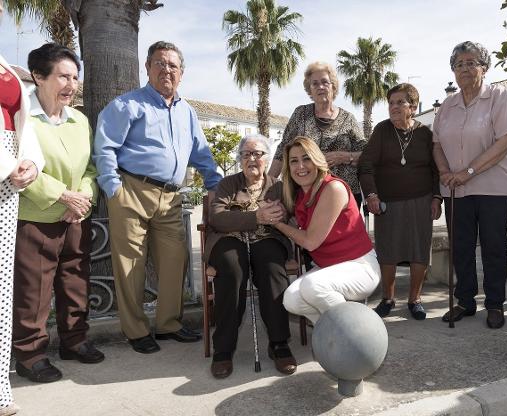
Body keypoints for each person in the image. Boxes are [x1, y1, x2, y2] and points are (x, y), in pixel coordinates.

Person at [93, 41, 222, 354]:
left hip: (171, 197)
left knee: (174, 262)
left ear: (181, 73)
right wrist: (113, 188)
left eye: (173, 65)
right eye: (160, 64)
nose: (167, 70)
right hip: (131, 191)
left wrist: (216, 184)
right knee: (130, 266)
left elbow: (201, 153)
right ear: (147, 68)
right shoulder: (127, 105)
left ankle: (168, 325)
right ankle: (136, 331)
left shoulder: (187, 112)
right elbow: (105, 146)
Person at [11, 43, 102, 385]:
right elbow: (17, 167)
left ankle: (74, 341)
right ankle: (30, 355)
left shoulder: (79, 119)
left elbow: (91, 167)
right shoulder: (20, 118)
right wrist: (63, 196)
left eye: (75, 77)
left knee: (75, 282)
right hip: (36, 216)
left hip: (76, 216)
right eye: (63, 76)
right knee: (34, 291)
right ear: (38, 76)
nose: (71, 84)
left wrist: (83, 199)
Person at [432, 41, 507, 329]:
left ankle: (494, 304)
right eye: (459, 64)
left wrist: (468, 171)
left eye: (471, 63)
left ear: (484, 67)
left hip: (493, 187)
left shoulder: (498, 96)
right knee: (461, 247)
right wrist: (445, 171)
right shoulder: (447, 105)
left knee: (494, 246)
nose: (465, 69)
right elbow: (436, 144)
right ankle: (466, 301)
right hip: (456, 189)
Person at [205, 134, 296, 379]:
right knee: (231, 269)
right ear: (240, 159)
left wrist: (276, 215)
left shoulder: (277, 186)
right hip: (230, 239)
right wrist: (256, 216)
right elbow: (217, 218)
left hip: (268, 238)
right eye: (246, 154)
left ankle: (279, 343)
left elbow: (285, 213)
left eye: (257, 154)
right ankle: (223, 349)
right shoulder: (227, 184)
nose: (252, 159)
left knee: (271, 269)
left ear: (267, 158)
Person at [274, 137, 380, 323]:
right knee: (292, 299)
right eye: (294, 161)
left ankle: (356, 332)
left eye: (306, 158)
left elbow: (310, 241)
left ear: (317, 160)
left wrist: (277, 223)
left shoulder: (333, 187)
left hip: (360, 267)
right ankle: (332, 332)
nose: (300, 166)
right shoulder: (299, 195)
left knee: (313, 286)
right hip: (329, 268)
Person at [358, 83, 441, 320]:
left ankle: (415, 299)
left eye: (400, 102)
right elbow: (366, 165)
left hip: (421, 201)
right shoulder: (382, 130)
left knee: (419, 251)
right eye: (391, 103)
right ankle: (388, 298)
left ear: (413, 107)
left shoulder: (425, 134)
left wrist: (437, 197)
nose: (393, 107)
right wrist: (371, 194)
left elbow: (436, 169)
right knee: (388, 252)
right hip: (388, 203)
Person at [0, 0, 45, 410]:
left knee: (2, 288)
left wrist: (29, 161)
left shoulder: (8, 69)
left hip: (9, 185)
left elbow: (21, 125)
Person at [268, 62, 367, 207]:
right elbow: (283, 149)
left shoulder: (348, 119)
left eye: (325, 82)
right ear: (310, 90)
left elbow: (366, 154)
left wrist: (344, 157)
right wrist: (268, 183)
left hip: (344, 195)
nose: (320, 87)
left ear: (333, 86)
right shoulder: (300, 114)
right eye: (315, 84)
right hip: (304, 192)